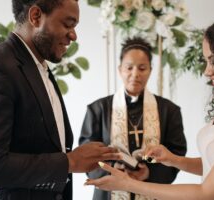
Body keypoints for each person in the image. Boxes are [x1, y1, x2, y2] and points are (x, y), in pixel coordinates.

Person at [85, 11, 214, 200]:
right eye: (206, 61)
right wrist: (174, 160)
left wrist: (129, 184)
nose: (207, 72)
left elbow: (207, 191)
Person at [0, 1, 119, 200]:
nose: (73, 36)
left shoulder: (39, 68)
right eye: (68, 24)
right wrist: (70, 162)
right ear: (35, 16)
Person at [79, 37, 187, 200]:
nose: (135, 74)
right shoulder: (98, 109)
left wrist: (149, 173)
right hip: (109, 194)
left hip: (153, 191)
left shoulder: (169, 110)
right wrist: (114, 169)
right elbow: (87, 154)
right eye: (129, 68)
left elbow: (177, 153)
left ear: (150, 70)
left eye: (142, 68)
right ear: (120, 69)